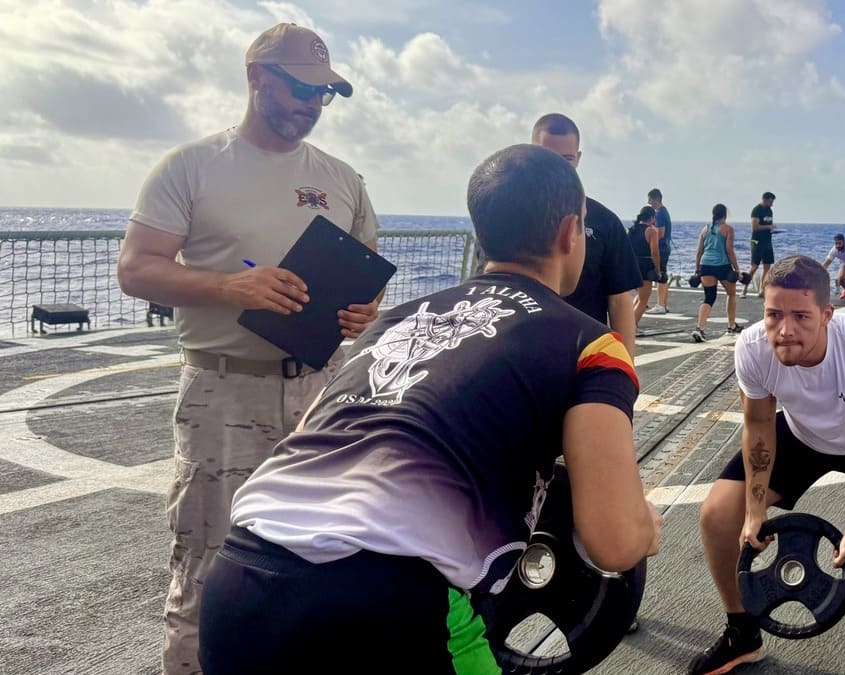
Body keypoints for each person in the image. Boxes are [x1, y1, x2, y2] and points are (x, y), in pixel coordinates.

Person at [197, 143, 663, 674]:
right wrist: (645, 525)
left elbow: (309, 437)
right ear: (569, 233)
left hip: (239, 576)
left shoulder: (391, 321)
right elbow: (613, 540)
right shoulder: (592, 345)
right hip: (382, 599)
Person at [115, 24, 381, 675]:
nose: (313, 104)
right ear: (256, 77)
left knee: (318, 561)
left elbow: (365, 278)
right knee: (206, 568)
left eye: (324, 94)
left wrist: (361, 312)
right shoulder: (192, 167)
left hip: (322, 390)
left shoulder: (343, 179)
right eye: (300, 88)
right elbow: (136, 268)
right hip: (222, 390)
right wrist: (231, 285)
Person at [687, 255, 845, 675]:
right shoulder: (752, 348)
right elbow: (758, 425)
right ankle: (742, 634)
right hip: (801, 433)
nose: (785, 330)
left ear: (827, 315)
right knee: (718, 515)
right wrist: (753, 512)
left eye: (801, 316)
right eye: (774, 314)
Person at [530, 113, 643, 356]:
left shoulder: (605, 222)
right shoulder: (506, 216)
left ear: (578, 158)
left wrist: (625, 368)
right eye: (547, 158)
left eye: (566, 159)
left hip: (584, 357)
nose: (557, 168)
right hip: (523, 358)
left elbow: (620, 300)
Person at [692, 204, 743, 341]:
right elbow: (729, 251)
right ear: (725, 215)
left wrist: (697, 270)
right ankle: (731, 326)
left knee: (709, 297)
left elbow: (698, 252)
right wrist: (737, 269)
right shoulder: (728, 229)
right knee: (731, 293)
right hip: (722, 265)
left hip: (705, 265)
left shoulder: (705, 229)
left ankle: (699, 328)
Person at [629, 206, 663, 328]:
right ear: (652, 218)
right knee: (644, 300)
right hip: (645, 265)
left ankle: (630, 323)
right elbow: (654, 252)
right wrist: (658, 269)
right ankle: (632, 326)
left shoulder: (632, 229)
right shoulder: (651, 231)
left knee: (639, 297)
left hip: (633, 264)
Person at [743, 192, 776, 298]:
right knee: (755, 265)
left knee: (767, 266)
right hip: (757, 241)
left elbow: (767, 225)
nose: (772, 204)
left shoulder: (769, 211)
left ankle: (762, 289)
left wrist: (773, 230)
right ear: (765, 200)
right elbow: (755, 227)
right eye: (771, 201)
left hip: (767, 241)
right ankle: (745, 289)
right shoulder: (757, 210)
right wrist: (769, 227)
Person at [646, 188, 674, 314]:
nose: (649, 202)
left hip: (661, 248)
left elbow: (660, 233)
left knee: (660, 275)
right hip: (665, 247)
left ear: (657, 199)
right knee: (663, 275)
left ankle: (660, 305)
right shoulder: (663, 212)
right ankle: (664, 303)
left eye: (650, 200)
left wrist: (648, 237)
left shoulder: (660, 214)